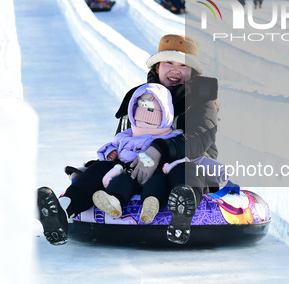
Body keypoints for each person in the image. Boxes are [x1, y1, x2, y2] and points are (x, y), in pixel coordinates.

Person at [37, 34, 219, 245]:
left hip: (182, 167)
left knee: (185, 172)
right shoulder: (140, 97)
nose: (175, 70)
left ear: (193, 72)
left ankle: (183, 208)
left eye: (183, 65)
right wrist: (110, 158)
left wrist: (158, 149)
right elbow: (125, 139)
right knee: (100, 169)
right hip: (136, 169)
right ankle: (62, 212)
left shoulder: (201, 101)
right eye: (169, 62)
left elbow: (199, 140)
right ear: (157, 67)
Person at [91, 83, 183, 224]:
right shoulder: (127, 135)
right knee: (123, 181)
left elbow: (177, 148)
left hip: (157, 171)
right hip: (131, 169)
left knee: (158, 183)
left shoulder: (170, 136)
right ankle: (113, 201)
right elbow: (113, 144)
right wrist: (111, 152)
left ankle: (151, 204)